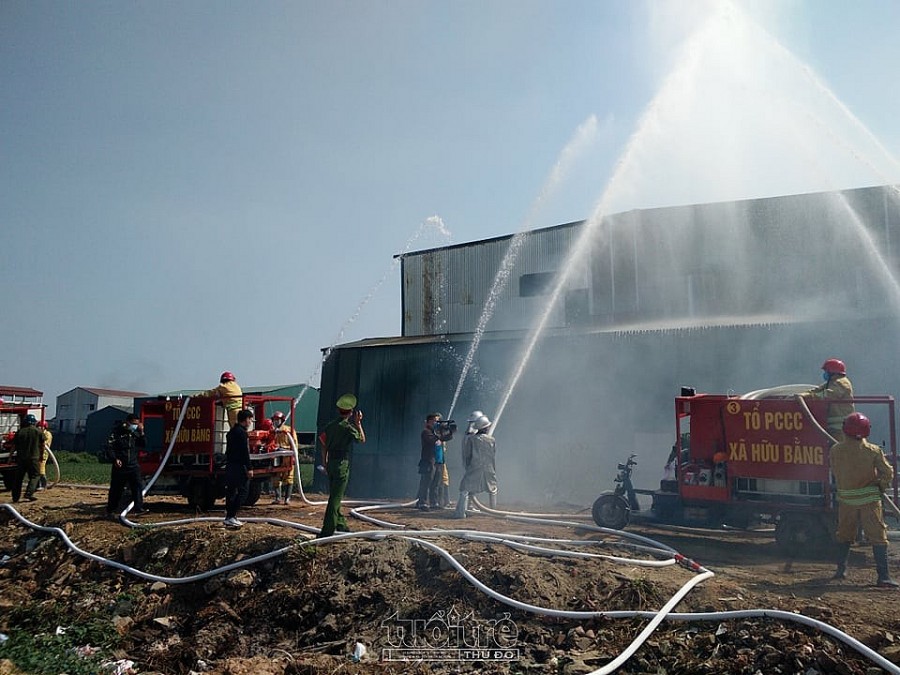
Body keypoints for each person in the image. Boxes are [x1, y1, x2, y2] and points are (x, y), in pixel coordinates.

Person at [830, 412, 898, 587]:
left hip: (846, 499)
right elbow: (888, 472)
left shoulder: (836, 450)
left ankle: (840, 570)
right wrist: (880, 486)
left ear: (845, 430)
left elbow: (835, 470)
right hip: (869, 500)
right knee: (878, 537)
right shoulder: (873, 451)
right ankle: (883, 577)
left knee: (844, 534)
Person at [317, 393, 366, 538]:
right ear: (351, 412)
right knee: (335, 499)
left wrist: (325, 463)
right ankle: (327, 531)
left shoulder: (330, 426)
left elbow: (323, 446)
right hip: (341, 465)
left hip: (331, 463)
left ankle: (341, 525)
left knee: (334, 495)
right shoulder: (347, 427)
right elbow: (362, 439)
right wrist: (358, 423)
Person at [454, 411, 498, 519]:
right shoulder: (491, 440)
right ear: (485, 428)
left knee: (465, 488)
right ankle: (493, 513)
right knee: (493, 489)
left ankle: (460, 513)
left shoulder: (472, 439)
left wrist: (468, 466)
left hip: (474, 467)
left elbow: (468, 455)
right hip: (489, 468)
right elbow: (493, 454)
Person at [801, 358, 854, 441]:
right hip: (834, 426)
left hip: (841, 427)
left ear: (832, 371)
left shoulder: (842, 382)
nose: (825, 373)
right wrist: (803, 395)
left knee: (838, 448)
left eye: (826, 371)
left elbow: (828, 394)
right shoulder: (832, 382)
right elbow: (817, 390)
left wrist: (811, 396)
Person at [105, 414, 147, 519]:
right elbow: (109, 447)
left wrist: (141, 432)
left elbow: (143, 444)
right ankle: (111, 510)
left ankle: (138, 508)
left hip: (133, 465)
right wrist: (114, 459)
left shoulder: (135, 434)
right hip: (120, 466)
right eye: (133, 424)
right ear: (127, 422)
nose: (135, 426)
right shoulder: (117, 432)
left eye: (137, 424)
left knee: (137, 487)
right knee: (116, 489)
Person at [224, 409, 255, 528]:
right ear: (246, 419)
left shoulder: (231, 432)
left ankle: (229, 517)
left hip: (230, 465)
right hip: (239, 466)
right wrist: (249, 468)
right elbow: (244, 453)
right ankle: (232, 516)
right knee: (243, 492)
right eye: (250, 419)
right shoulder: (242, 433)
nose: (251, 421)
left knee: (231, 491)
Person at [11, 414, 44, 503]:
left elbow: (14, 446)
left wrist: (10, 457)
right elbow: (42, 446)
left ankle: (15, 497)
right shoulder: (39, 432)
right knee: (35, 476)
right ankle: (29, 493)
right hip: (34, 458)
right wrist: (41, 456)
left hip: (21, 459)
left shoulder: (20, 432)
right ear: (34, 422)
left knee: (18, 478)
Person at [271, 411, 299, 505]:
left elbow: (294, 444)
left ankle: (287, 498)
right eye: (274, 420)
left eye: (277, 420)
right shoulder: (272, 431)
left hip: (288, 456)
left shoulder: (289, 430)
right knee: (276, 477)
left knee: (289, 477)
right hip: (277, 457)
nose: (276, 422)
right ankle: (278, 498)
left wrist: (294, 456)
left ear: (282, 420)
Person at [415, 413, 441, 510]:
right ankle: (422, 502)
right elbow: (433, 441)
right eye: (435, 421)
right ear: (430, 422)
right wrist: (440, 435)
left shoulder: (436, 433)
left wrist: (450, 432)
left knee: (436, 482)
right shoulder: (426, 432)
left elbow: (446, 438)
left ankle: (434, 502)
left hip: (437, 460)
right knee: (426, 482)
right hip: (428, 461)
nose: (437, 423)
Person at [37, 420, 52, 490]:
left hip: (44, 453)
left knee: (41, 469)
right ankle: (38, 485)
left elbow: (44, 444)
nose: (39, 428)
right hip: (38, 453)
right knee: (37, 469)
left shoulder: (47, 434)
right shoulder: (40, 433)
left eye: (40, 426)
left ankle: (44, 484)